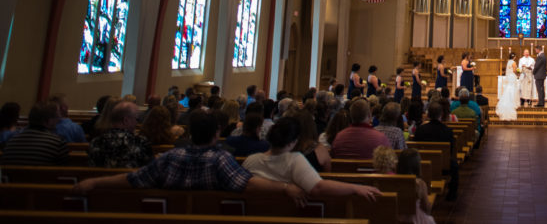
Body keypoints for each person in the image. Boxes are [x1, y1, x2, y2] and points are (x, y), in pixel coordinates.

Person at [72, 110, 305, 204]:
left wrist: (94, 181)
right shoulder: (221, 160)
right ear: (217, 134)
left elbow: (133, 178)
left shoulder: (170, 157)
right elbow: (249, 184)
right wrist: (284, 187)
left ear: (190, 133)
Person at [242, 116, 380, 202]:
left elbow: (246, 185)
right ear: (293, 141)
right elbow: (318, 187)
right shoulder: (295, 160)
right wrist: (355, 188)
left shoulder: (250, 160)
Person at [413, 102, 459, 200]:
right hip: (443, 165)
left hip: (422, 163)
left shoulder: (420, 129)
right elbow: (450, 150)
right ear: (441, 114)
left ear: (428, 114)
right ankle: (452, 194)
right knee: (454, 165)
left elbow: (415, 147)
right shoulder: (447, 131)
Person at [0, 101, 68, 165]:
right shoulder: (58, 143)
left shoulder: (10, 139)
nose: (59, 120)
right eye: (57, 118)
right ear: (49, 121)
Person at [88, 100, 153, 168]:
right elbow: (150, 170)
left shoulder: (96, 142)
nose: (137, 123)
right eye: (136, 119)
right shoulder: (140, 142)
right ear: (126, 120)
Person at [396, 148, 436, 224]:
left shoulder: (393, 181)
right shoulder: (420, 184)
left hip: (398, 219)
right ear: (417, 165)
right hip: (415, 220)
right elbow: (427, 209)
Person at [496, 52, 519, 121]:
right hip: (512, 77)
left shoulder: (508, 62)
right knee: (512, 89)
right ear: (514, 57)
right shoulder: (514, 62)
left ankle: (509, 100)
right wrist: (518, 72)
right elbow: (514, 70)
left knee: (509, 88)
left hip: (509, 77)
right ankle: (512, 101)